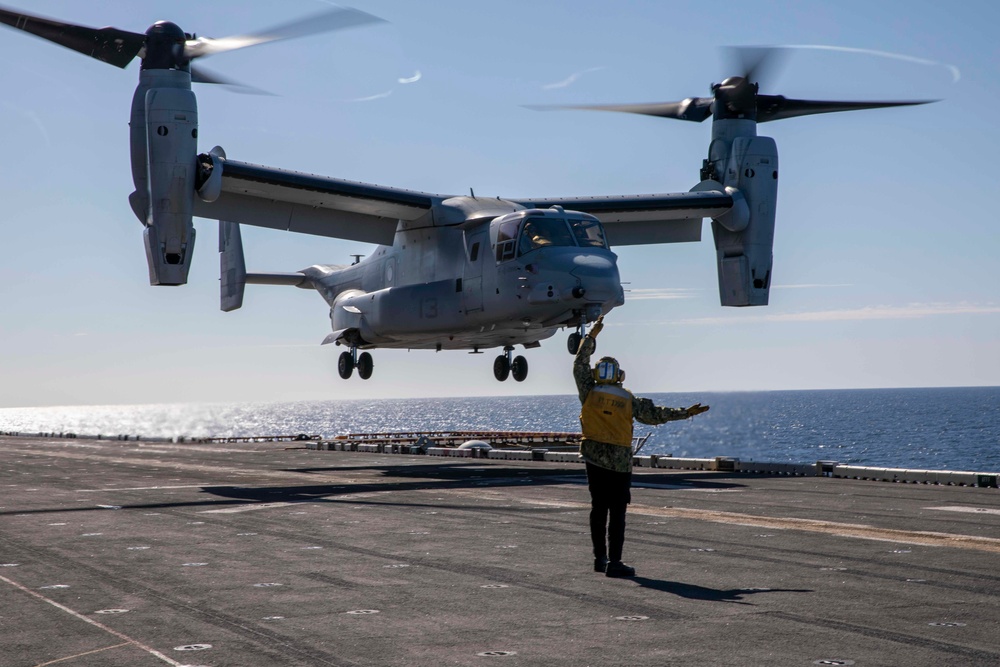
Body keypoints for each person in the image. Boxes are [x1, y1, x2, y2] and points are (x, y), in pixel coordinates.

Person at [574, 316, 710, 577]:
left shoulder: (588, 391)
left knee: (597, 508)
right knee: (618, 512)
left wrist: (593, 334)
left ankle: (599, 558)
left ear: (596, 374)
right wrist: (685, 412)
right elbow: (655, 414)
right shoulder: (627, 399)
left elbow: (579, 362)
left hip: (593, 459)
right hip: (620, 463)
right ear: (619, 376)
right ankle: (615, 562)